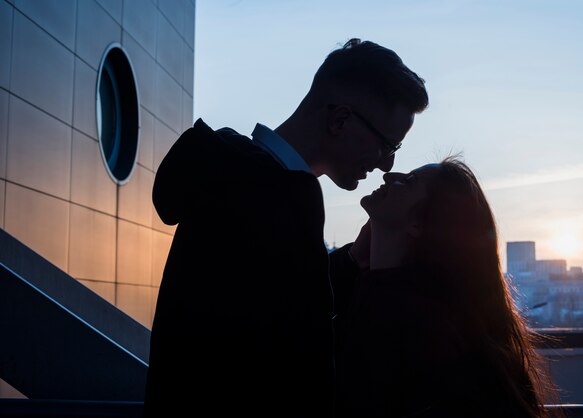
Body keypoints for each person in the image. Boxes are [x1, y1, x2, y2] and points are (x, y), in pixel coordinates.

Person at [143, 38, 429, 418]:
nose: (386, 165)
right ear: (340, 120)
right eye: (387, 145)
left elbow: (261, 312)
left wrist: (349, 262)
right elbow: (291, 356)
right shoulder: (279, 195)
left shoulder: (236, 180)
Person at [334, 156, 561, 418]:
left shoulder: (410, 325)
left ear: (419, 224)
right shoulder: (406, 309)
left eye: (408, 181)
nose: (388, 176)